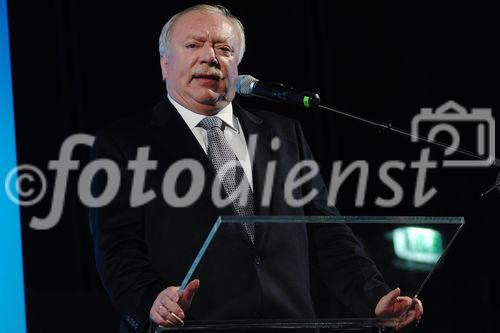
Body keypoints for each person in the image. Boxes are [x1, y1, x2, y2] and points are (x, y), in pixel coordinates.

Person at [90, 4, 423, 333]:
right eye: (193, 45)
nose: (210, 57)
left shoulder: (283, 134)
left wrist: (374, 296)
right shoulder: (124, 143)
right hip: (193, 327)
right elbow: (118, 250)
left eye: (224, 49)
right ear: (165, 64)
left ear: (238, 64)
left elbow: (328, 233)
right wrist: (150, 299)